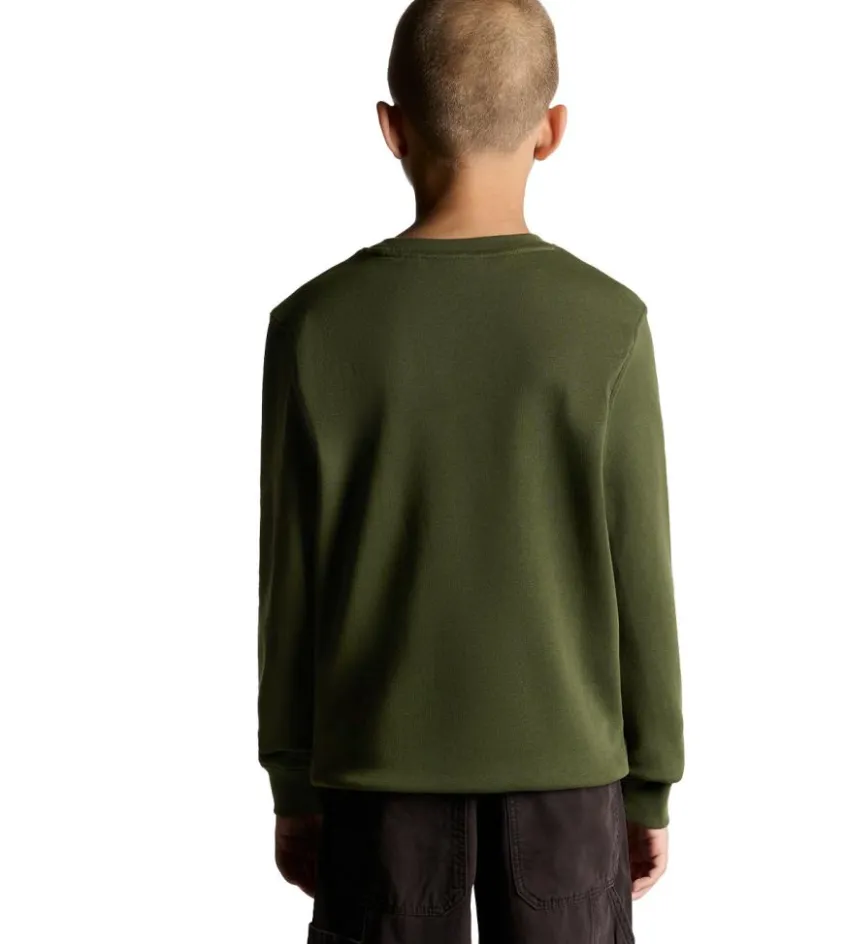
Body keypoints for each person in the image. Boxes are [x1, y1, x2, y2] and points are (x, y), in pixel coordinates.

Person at [257, 1, 684, 940]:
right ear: (551, 130)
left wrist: (291, 779)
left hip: (374, 773)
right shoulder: (608, 323)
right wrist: (650, 782)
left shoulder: (313, 326)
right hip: (568, 775)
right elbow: (640, 575)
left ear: (392, 128)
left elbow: (291, 584)